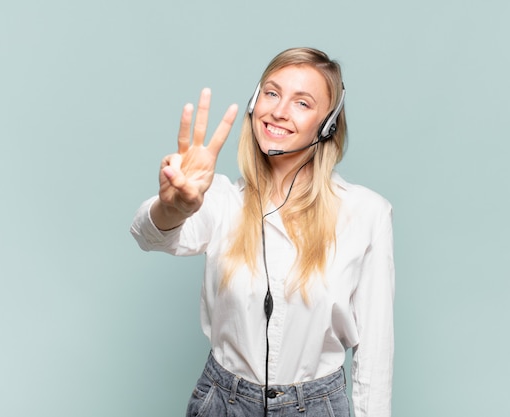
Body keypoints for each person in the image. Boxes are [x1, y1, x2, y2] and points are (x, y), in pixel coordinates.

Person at [130, 47, 394, 417]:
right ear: (255, 102)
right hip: (224, 401)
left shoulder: (367, 213)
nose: (279, 111)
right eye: (271, 93)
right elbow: (149, 235)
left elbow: (375, 351)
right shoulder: (221, 199)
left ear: (328, 124)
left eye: (302, 103)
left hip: (317, 406)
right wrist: (172, 206)